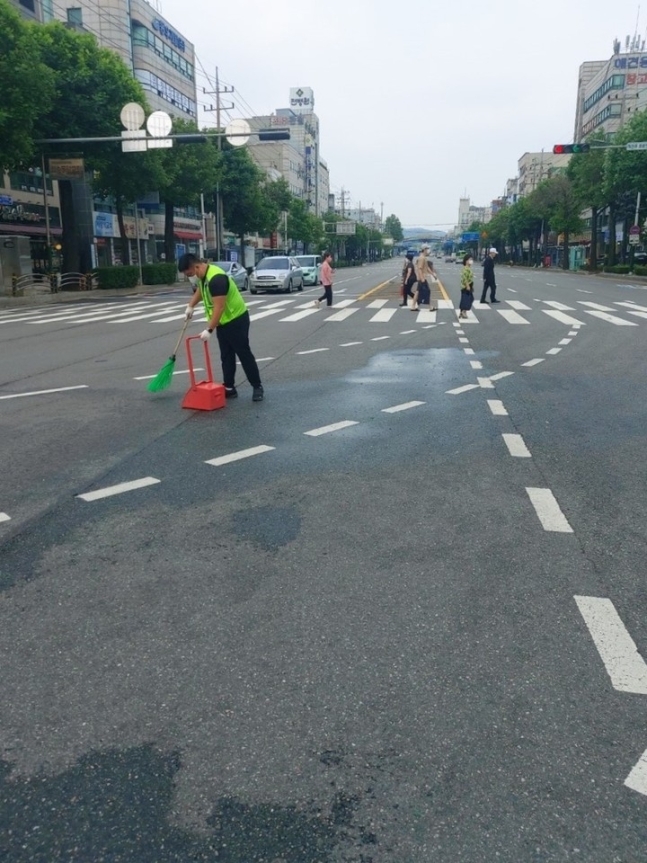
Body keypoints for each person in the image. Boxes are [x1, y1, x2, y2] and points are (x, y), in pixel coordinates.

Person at [178, 253, 264, 402]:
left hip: (236, 319)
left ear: (196, 266)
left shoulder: (216, 279)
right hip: (223, 322)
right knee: (226, 355)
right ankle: (229, 388)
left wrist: (209, 329)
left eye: (190, 274)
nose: (190, 277)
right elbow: (200, 290)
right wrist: (190, 305)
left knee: (243, 353)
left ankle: (257, 387)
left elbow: (219, 307)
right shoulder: (204, 276)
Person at [411, 245, 438, 311]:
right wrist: (422, 278)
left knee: (418, 292)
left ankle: (413, 306)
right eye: (427, 249)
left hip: (422, 278)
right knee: (427, 291)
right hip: (422, 278)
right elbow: (419, 269)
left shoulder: (424, 258)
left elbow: (427, 268)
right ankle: (430, 307)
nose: (428, 250)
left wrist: (433, 274)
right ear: (424, 249)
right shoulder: (421, 258)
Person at [459, 253, 474, 319]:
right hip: (465, 286)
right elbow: (465, 278)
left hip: (469, 285)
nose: (471, 261)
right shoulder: (465, 269)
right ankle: (463, 312)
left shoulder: (468, 268)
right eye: (470, 259)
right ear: (466, 261)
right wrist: (467, 286)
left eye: (471, 259)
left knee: (466, 299)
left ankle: (462, 312)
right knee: (467, 299)